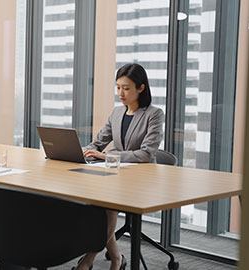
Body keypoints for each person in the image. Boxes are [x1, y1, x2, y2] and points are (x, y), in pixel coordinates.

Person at [74, 63, 164, 270]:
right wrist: (83, 151)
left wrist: (108, 156)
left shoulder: (154, 114)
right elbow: (97, 143)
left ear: (141, 88)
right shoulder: (117, 113)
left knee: (105, 207)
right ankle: (116, 258)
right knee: (99, 208)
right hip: (115, 176)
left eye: (126, 88)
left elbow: (146, 153)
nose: (120, 93)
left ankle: (88, 260)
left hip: (141, 179)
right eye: (118, 87)